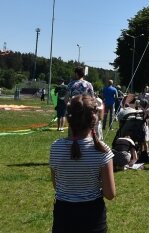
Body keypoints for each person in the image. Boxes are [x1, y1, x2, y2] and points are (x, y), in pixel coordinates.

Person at [49, 95, 115, 233]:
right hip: (92, 215)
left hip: (63, 214)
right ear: (94, 120)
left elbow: (56, 184)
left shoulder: (56, 147)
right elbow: (110, 194)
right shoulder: (102, 150)